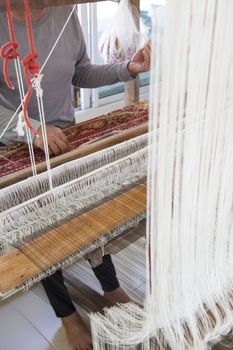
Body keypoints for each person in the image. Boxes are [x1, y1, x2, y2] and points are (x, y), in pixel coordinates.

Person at [0, 5, 151, 350]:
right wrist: (33, 130)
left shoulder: (65, 13)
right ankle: (66, 313)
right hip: (16, 147)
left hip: (66, 137)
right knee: (42, 230)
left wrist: (129, 69)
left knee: (87, 214)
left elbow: (79, 72)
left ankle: (110, 287)